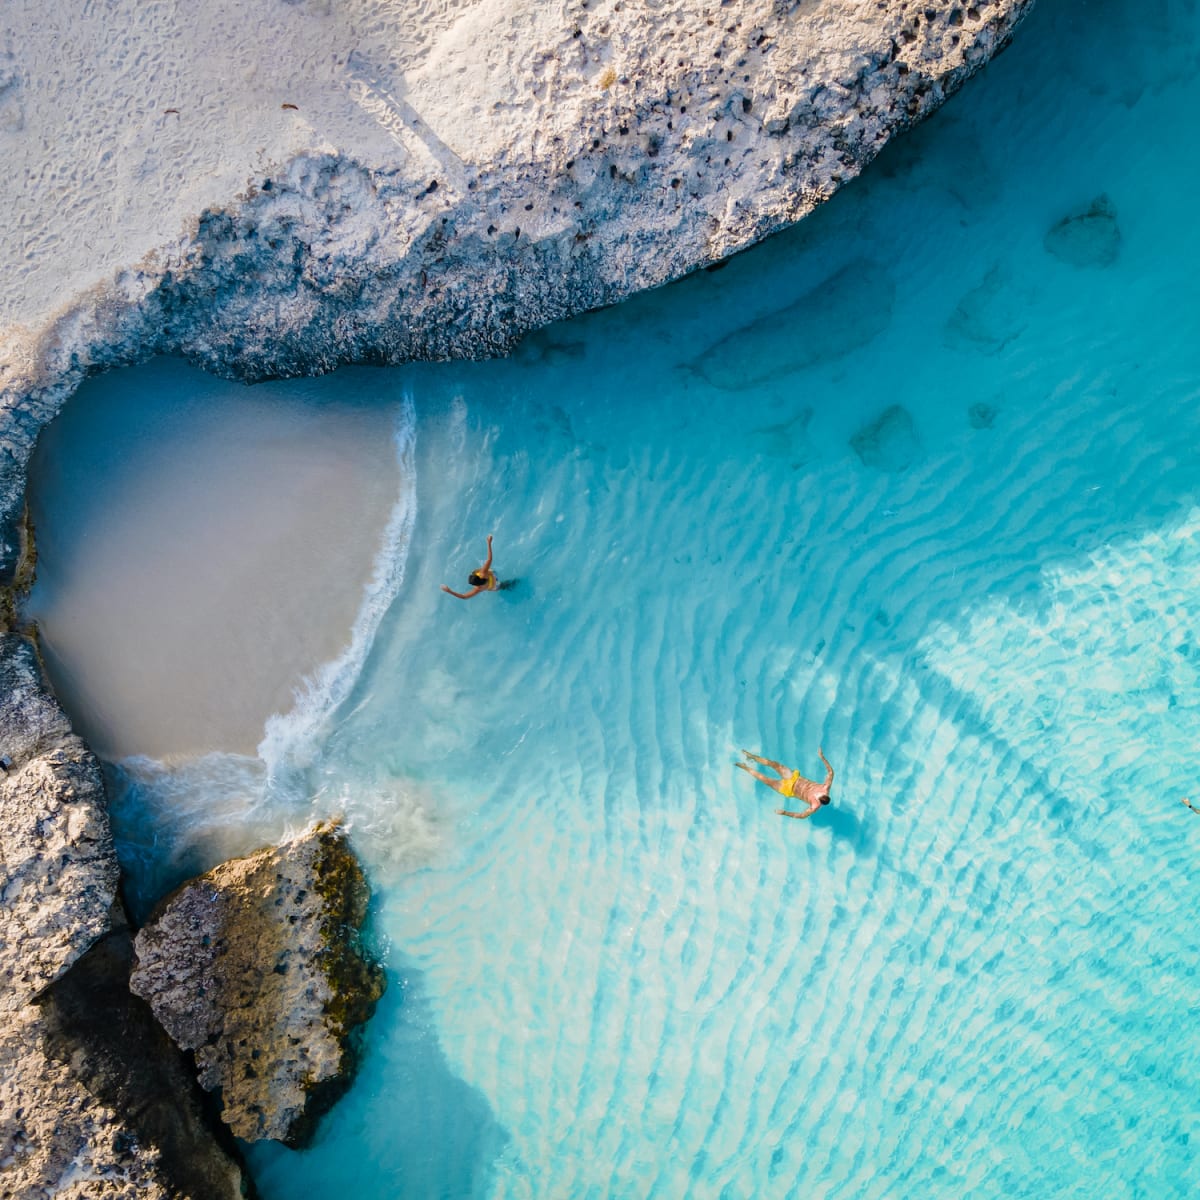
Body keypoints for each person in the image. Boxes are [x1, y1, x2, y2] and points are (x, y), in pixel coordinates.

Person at [736, 746, 833, 819]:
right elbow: (831, 772)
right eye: (820, 794)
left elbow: (802, 816)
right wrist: (822, 757)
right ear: (824, 794)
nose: (817, 795)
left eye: (818, 798)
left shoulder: (815, 805)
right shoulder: (825, 787)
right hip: (794, 778)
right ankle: (752, 757)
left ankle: (745, 767)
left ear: (820, 801)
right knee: (774, 764)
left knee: (765, 779)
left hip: (789, 789)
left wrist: (784, 813)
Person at [441, 535, 514, 599]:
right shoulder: (483, 573)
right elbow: (489, 559)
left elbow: (464, 597)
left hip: (494, 586)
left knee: (505, 585)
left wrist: (449, 591)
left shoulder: (478, 588)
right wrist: (489, 543)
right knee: (490, 571)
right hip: (493, 576)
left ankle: (511, 584)